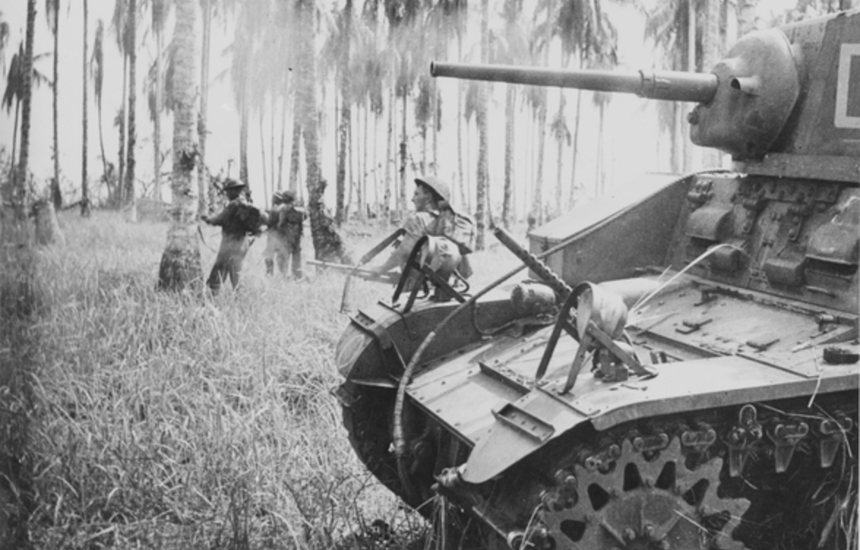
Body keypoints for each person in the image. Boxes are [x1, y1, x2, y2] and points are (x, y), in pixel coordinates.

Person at [370, 176, 474, 293]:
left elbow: (405, 250)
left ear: (428, 197)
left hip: (421, 286)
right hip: (453, 286)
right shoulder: (448, 220)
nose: (412, 199)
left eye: (416, 194)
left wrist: (381, 269)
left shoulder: (418, 219)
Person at [201, 178, 266, 292]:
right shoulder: (247, 204)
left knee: (219, 269)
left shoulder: (234, 204)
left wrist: (207, 219)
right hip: (243, 242)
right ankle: (239, 295)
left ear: (234, 191)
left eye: (228, 191)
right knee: (236, 272)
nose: (226, 194)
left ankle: (212, 294)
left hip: (230, 243)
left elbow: (218, 220)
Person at [264, 190, 306, 279]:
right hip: (295, 237)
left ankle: (272, 274)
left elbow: (271, 223)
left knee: (273, 256)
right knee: (296, 257)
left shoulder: (277, 209)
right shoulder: (297, 210)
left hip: (278, 237)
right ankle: (297, 276)